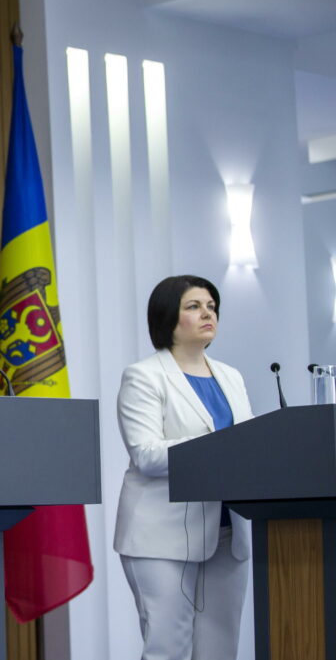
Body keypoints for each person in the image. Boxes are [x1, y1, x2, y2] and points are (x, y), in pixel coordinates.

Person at [114, 275, 253, 660]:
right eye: (194, 306)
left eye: (211, 306)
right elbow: (147, 454)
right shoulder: (143, 376)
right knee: (168, 649)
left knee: (220, 650)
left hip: (227, 532)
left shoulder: (231, 376)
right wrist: (219, 447)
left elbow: (248, 444)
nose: (207, 313)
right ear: (167, 318)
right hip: (162, 535)